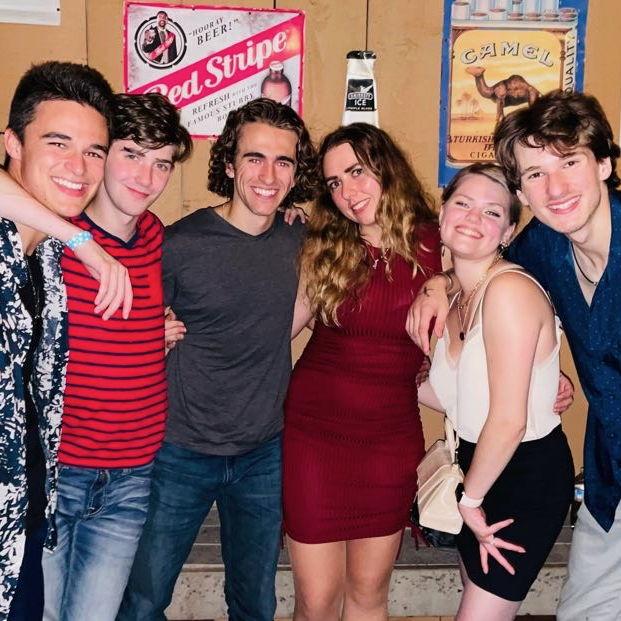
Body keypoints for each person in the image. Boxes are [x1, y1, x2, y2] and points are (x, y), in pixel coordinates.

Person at [408, 90, 621, 621]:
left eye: (569, 162)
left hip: (532, 474)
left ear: (603, 164)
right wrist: (436, 283)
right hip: (609, 476)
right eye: (535, 174)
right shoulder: (546, 244)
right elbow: (481, 257)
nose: (555, 188)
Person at [118, 98, 317, 621]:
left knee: (255, 603)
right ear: (228, 164)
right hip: (180, 450)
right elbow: (124, 332)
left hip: (262, 452)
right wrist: (152, 337)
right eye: (254, 158)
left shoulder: (300, 238)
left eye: (283, 162)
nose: (269, 176)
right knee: (143, 600)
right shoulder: (180, 245)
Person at [32, 93, 190, 621]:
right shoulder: (47, 233)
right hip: (55, 473)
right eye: (132, 154)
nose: (147, 177)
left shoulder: (154, 236)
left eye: (161, 163)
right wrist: (80, 240)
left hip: (131, 476)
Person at [283, 123, 441, 621]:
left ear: (385, 167)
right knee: (316, 603)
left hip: (388, 443)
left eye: (356, 172)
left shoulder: (440, 244)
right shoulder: (324, 246)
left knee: (369, 596)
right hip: (314, 436)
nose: (348, 192)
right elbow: (278, 331)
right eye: (334, 183)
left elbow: (494, 297)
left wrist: (541, 382)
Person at [416, 163, 574, 620]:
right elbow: (460, 401)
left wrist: (470, 500)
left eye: (492, 212)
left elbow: (508, 421)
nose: (473, 218)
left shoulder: (508, 291)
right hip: (477, 468)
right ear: (442, 213)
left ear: (507, 232)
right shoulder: (456, 298)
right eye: (463, 203)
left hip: (522, 477)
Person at [0, 60, 117, 621]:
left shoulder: (45, 261)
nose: (79, 167)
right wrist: (82, 240)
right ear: (12, 144)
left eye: (94, 151)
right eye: (58, 143)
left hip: (22, 519)